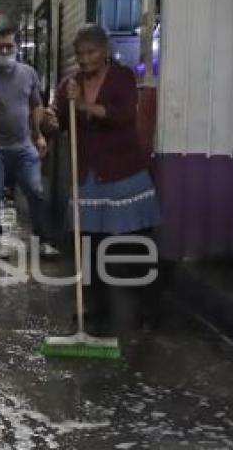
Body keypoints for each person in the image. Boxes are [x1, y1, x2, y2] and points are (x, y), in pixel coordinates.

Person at [47, 24, 161, 330]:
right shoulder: (69, 84)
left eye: (91, 52)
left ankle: (147, 308)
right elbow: (59, 126)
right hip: (88, 177)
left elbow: (123, 115)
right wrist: (49, 120)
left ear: (104, 51)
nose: (84, 59)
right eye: (79, 54)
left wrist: (81, 105)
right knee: (89, 248)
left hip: (124, 174)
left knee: (131, 247)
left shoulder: (122, 77)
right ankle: (97, 308)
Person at [0, 26, 59, 259]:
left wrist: (38, 134)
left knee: (36, 191)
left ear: (17, 47)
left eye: (9, 46)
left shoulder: (28, 73)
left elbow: (36, 104)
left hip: (24, 145)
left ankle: (44, 241)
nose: (5, 50)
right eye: (0, 47)